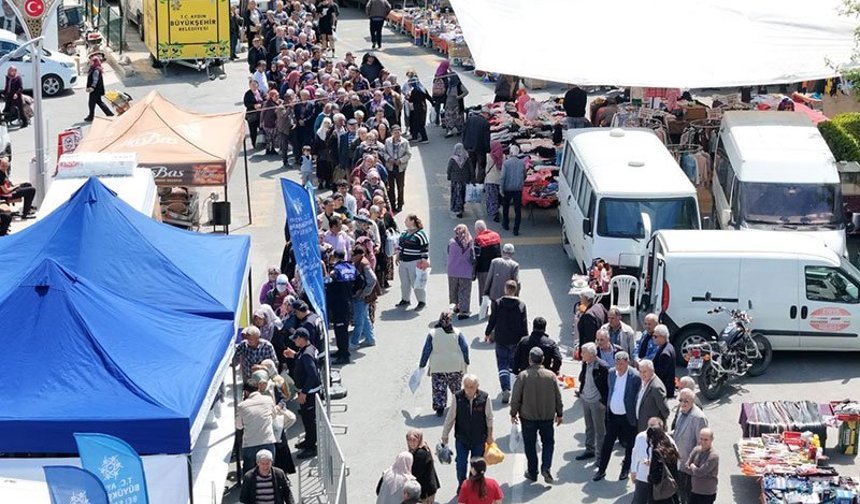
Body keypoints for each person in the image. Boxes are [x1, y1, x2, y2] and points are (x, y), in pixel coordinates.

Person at [511, 347, 564, 483]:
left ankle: (532, 472)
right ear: (543, 360)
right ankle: (546, 467)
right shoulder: (551, 376)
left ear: (530, 359)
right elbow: (558, 396)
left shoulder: (523, 376)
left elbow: (516, 397)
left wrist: (513, 413)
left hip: (528, 417)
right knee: (548, 442)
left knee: (529, 444)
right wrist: (560, 413)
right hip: (547, 416)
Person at [594, 352, 641, 482]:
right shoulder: (611, 373)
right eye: (617, 364)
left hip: (627, 417)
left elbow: (637, 396)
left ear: (627, 362)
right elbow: (611, 390)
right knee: (607, 443)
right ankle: (602, 470)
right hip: (613, 416)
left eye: (622, 364)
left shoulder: (635, 376)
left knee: (629, 445)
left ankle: (625, 469)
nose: (619, 367)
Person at [441, 374, 493, 489]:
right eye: (466, 386)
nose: (469, 390)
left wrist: (490, 435)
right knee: (461, 463)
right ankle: (462, 485)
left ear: (477, 386)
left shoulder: (485, 398)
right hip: (462, 438)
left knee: (477, 465)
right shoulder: (457, 397)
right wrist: (445, 435)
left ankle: (472, 485)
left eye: (472, 387)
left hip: (479, 439)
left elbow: (489, 417)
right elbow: (450, 417)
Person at [419, 311, 470, 416]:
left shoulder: (432, 333)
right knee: (456, 388)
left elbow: (426, 350)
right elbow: (465, 348)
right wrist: (466, 360)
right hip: (455, 366)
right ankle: (459, 406)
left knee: (439, 388)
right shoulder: (457, 332)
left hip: (438, 367)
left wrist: (422, 364)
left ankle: (440, 407)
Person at [484, 280, 527, 403]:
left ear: (505, 289)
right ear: (515, 290)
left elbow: (492, 319)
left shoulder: (498, 303)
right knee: (513, 364)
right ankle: (514, 389)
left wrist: (487, 333)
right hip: (516, 339)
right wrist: (525, 339)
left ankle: (505, 388)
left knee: (502, 363)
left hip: (501, 338)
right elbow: (524, 324)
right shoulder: (521, 305)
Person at [283, 328, 321, 459]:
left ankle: (311, 447)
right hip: (309, 391)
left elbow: (312, 375)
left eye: (295, 338)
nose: (294, 341)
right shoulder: (308, 350)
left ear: (302, 338)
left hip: (309, 393)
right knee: (306, 418)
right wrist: (294, 355)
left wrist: (304, 392)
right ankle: (309, 441)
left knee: (309, 419)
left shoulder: (306, 355)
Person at [673, 389, 709, 504]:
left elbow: (702, 445)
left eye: (686, 401)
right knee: (679, 492)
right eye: (680, 400)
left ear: (693, 401)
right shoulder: (681, 410)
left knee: (688, 495)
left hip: (688, 465)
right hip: (678, 460)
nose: (682, 403)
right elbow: (677, 432)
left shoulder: (699, 418)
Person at [575, 342, 609, 462]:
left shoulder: (602, 367)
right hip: (586, 399)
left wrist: (602, 402)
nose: (581, 354)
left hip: (597, 402)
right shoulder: (585, 364)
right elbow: (583, 378)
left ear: (591, 354)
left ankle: (600, 457)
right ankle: (590, 450)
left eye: (583, 352)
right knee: (589, 427)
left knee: (600, 431)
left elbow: (607, 387)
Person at [237, 378, 278, 474]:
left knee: (249, 475)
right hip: (267, 440)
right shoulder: (268, 400)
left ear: (246, 392)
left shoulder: (242, 406)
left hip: (250, 444)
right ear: (258, 388)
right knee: (268, 472)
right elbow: (274, 415)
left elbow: (238, 426)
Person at [630, 417, 670, 504]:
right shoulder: (640, 437)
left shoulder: (668, 440)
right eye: (649, 426)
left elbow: (674, 459)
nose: (650, 429)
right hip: (642, 477)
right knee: (638, 500)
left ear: (661, 427)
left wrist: (655, 464)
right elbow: (635, 453)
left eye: (653, 426)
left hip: (658, 481)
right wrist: (633, 471)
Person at [327, 250, 356, 365]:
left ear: (335, 257)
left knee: (341, 330)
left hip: (338, 304)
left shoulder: (336, 270)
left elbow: (329, 282)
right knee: (340, 329)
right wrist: (352, 292)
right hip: (347, 302)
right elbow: (361, 281)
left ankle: (344, 355)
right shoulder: (351, 267)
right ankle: (341, 351)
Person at [395, 214, 429, 310]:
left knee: (416, 283)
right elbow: (399, 245)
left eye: (406, 220)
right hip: (403, 262)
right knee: (404, 282)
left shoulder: (421, 234)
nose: (404, 222)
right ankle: (405, 299)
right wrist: (398, 256)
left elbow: (425, 249)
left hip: (414, 262)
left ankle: (421, 301)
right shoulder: (404, 233)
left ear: (412, 221)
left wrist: (424, 261)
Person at [647, 424, 681, 504]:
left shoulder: (657, 452)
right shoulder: (670, 448)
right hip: (672, 488)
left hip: (661, 492)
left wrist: (649, 477)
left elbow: (655, 476)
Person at [447, 224, 475, 318]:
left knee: (453, 290)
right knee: (464, 291)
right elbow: (472, 258)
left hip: (452, 270)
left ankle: (454, 307)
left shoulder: (451, 242)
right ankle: (464, 311)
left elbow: (448, 252)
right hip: (465, 271)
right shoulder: (470, 243)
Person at [686, 428, 719, 504]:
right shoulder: (696, 450)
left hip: (707, 493)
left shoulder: (713, 456)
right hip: (694, 490)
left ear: (712, 439)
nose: (703, 442)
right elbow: (686, 467)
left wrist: (693, 466)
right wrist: (695, 469)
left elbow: (701, 472)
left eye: (706, 440)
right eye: (701, 439)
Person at [406, 430, 439, 503]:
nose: (411, 442)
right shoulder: (420, 448)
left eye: (414, 440)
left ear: (419, 440)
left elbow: (415, 473)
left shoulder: (421, 454)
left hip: (426, 490)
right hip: (426, 487)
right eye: (409, 440)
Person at [636, 359, 670, 432]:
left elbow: (665, 411)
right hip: (641, 424)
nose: (642, 374)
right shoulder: (644, 381)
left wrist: (660, 425)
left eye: (645, 371)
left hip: (652, 428)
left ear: (652, 370)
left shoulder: (656, 387)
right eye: (640, 371)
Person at [384, 125, 411, 212]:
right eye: (395, 132)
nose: (397, 134)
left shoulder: (405, 142)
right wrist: (389, 159)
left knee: (400, 187)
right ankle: (392, 204)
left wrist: (401, 160)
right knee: (391, 187)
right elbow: (384, 152)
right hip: (390, 167)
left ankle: (400, 204)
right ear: (392, 133)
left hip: (400, 168)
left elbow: (408, 154)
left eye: (398, 132)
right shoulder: (388, 141)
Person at [473, 220, 501, 305]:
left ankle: (483, 308)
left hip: (483, 269)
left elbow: (476, 256)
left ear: (478, 229)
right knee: (495, 289)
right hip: (496, 267)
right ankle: (495, 308)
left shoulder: (478, 239)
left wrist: (474, 271)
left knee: (483, 290)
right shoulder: (496, 235)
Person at [499, 145, 525, 235]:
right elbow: (524, 175)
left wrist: (501, 189)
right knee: (518, 209)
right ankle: (516, 229)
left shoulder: (506, 163)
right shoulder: (522, 163)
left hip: (507, 188)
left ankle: (506, 224)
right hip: (518, 189)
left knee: (506, 207)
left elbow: (502, 177)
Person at [462, 111, 490, 183]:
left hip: (470, 146)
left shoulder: (470, 119)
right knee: (481, 166)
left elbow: (464, 131)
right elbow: (486, 138)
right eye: (489, 115)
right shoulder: (485, 123)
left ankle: (471, 181)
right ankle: (479, 183)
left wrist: (464, 143)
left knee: (471, 165)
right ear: (485, 113)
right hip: (480, 149)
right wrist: (487, 149)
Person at [84, 55, 114, 122]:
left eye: (91, 61)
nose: (90, 62)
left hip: (95, 90)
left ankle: (91, 116)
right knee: (99, 102)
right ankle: (109, 114)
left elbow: (95, 80)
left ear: (95, 62)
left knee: (91, 103)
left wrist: (92, 87)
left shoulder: (96, 70)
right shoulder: (94, 68)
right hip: (97, 89)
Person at [448, 143, 473, 219]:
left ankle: (458, 209)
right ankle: (461, 207)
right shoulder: (467, 158)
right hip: (465, 180)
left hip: (455, 180)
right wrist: (472, 178)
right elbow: (471, 169)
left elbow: (449, 169)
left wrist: (449, 176)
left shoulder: (453, 159)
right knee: (462, 194)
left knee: (456, 194)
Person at [653, 324, 677, 398]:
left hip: (664, 389)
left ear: (663, 337)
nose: (653, 338)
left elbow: (660, 374)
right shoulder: (668, 346)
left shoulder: (665, 354)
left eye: (655, 336)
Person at [406, 74, 432, 143]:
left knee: (419, 124)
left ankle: (425, 138)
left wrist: (407, 97)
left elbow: (410, 100)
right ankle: (415, 137)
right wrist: (433, 103)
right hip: (423, 107)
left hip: (417, 109)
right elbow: (429, 97)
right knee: (418, 123)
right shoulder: (422, 89)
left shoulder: (414, 91)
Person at [443, 65, 468, 137]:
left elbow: (466, 92)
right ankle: (449, 131)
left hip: (456, 105)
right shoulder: (449, 85)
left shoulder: (459, 85)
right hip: (449, 105)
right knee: (448, 118)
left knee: (458, 119)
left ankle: (459, 130)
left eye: (449, 78)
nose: (448, 79)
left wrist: (459, 97)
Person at [484, 142, 503, 221]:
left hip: (490, 179)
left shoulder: (488, 156)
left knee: (491, 196)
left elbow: (486, 168)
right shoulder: (503, 157)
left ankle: (494, 211)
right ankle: (497, 209)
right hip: (499, 179)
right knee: (498, 196)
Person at [244, 79, 264, 148]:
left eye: (255, 84)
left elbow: (265, 99)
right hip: (252, 115)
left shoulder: (261, 92)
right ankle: (254, 143)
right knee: (253, 130)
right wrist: (254, 106)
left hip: (260, 114)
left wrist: (261, 105)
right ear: (249, 86)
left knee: (262, 128)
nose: (254, 86)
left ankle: (262, 142)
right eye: (252, 85)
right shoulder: (248, 94)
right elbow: (246, 103)